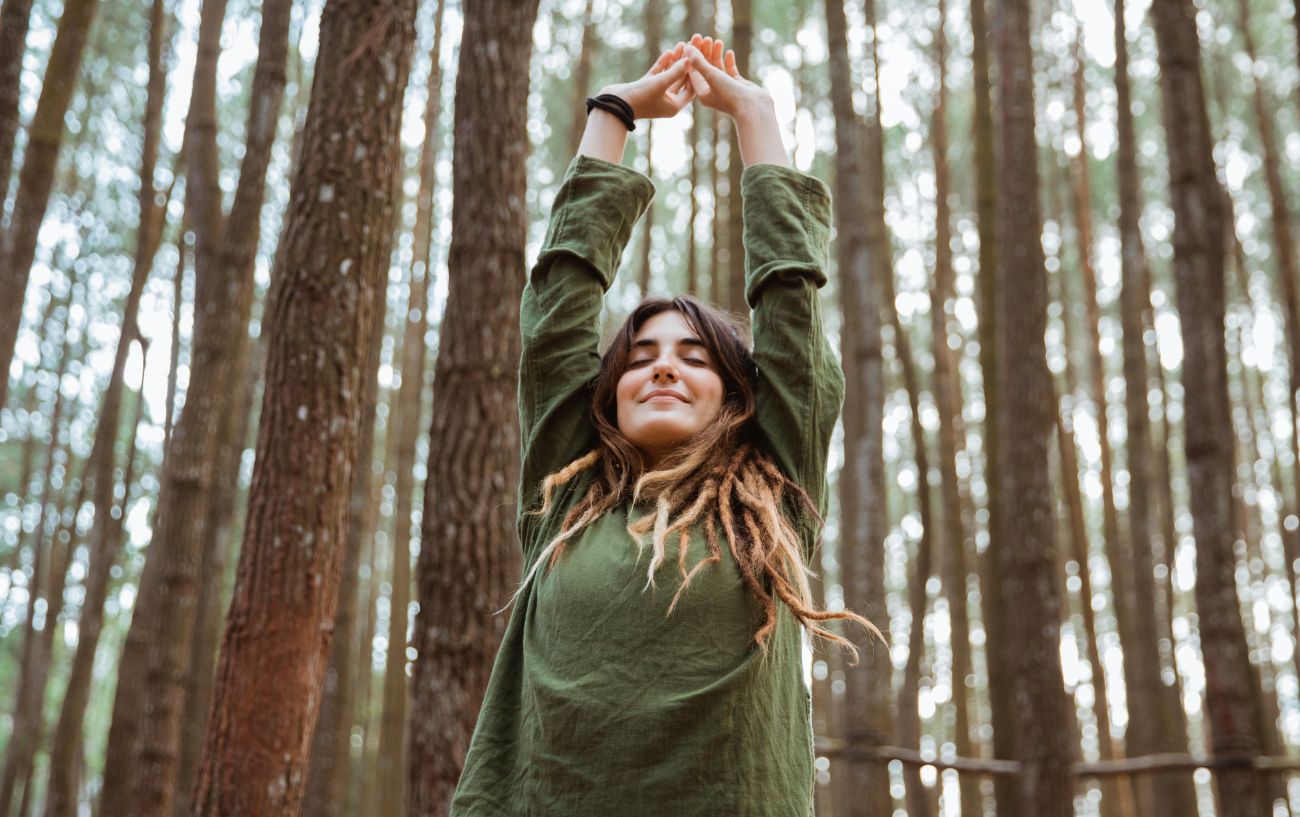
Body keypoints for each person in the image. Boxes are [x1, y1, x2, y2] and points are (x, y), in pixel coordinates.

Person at [449, 34, 877, 817]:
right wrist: (613, 112)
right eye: (639, 356)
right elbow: (556, 320)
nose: (663, 366)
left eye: (694, 357)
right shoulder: (565, 497)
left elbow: (794, 324)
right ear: (607, 395)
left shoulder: (774, 493)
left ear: (738, 397)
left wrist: (754, 115)